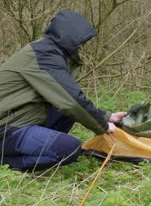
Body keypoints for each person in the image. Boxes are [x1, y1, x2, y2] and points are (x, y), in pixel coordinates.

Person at [0, 10, 126, 172]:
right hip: (5, 128)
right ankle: (7, 163)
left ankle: (26, 149)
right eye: (81, 41)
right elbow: (71, 99)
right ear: (70, 36)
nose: (82, 46)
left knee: (64, 113)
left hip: (16, 120)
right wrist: (102, 124)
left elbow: (67, 101)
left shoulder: (48, 51)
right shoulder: (43, 55)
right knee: (70, 148)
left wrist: (108, 116)